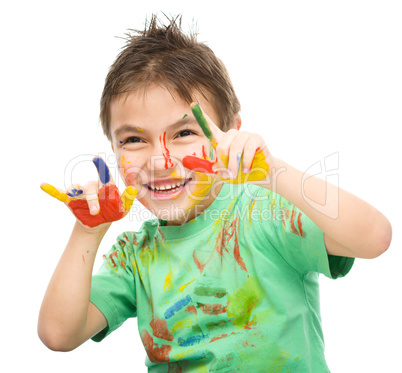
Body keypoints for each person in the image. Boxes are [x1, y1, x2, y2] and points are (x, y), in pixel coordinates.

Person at [38, 14, 392, 372]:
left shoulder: (268, 215)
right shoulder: (135, 257)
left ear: (232, 133)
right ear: (113, 149)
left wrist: (273, 172)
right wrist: (88, 231)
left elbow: (375, 238)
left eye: (184, 133)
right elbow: (58, 334)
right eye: (133, 139)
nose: (160, 161)